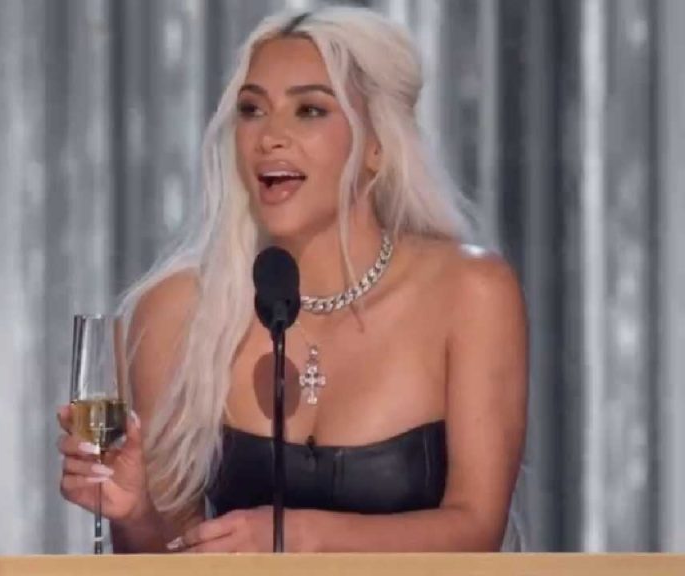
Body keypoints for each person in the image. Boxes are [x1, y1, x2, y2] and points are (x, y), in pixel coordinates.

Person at [57, 6, 528, 553]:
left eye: (309, 110)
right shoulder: (177, 310)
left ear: (377, 144)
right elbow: (178, 555)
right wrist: (134, 514)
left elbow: (476, 531)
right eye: (252, 110)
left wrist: (295, 536)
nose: (270, 137)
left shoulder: (470, 292)